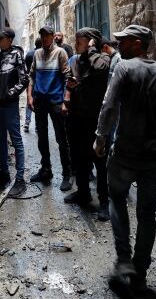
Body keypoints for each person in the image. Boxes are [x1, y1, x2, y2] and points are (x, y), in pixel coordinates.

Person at [93, 24, 156, 294]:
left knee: (118, 201)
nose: (119, 44)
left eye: (124, 41)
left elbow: (109, 106)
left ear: (138, 43)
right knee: (147, 213)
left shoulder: (124, 68)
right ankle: (140, 270)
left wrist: (100, 137)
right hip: (153, 157)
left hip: (126, 154)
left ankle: (124, 260)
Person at [63, 28, 111, 221]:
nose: (76, 44)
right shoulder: (77, 60)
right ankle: (83, 193)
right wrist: (70, 89)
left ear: (91, 42)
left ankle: (104, 203)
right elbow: (72, 80)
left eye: (80, 41)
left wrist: (91, 51)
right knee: (80, 158)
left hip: (95, 118)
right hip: (78, 116)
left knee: (99, 161)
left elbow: (100, 70)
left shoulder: (102, 58)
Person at [27, 25, 73, 191]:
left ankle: (67, 174)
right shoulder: (37, 53)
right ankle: (46, 170)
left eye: (47, 35)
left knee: (61, 138)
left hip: (55, 101)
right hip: (40, 100)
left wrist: (65, 101)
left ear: (53, 36)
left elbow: (68, 77)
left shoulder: (60, 52)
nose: (45, 38)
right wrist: (29, 96)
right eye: (43, 36)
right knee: (42, 137)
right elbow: (31, 75)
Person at [0, 27, 28, 196]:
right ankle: (4, 173)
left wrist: (9, 94)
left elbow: (24, 79)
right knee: (0, 139)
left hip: (10, 104)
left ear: (9, 39)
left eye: (1, 37)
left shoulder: (17, 55)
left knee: (16, 139)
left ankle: (20, 179)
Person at [23, 38, 42, 132]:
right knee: (38, 102)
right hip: (40, 81)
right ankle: (37, 126)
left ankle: (27, 122)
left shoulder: (29, 54)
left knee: (29, 101)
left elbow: (26, 67)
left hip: (30, 81)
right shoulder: (42, 53)